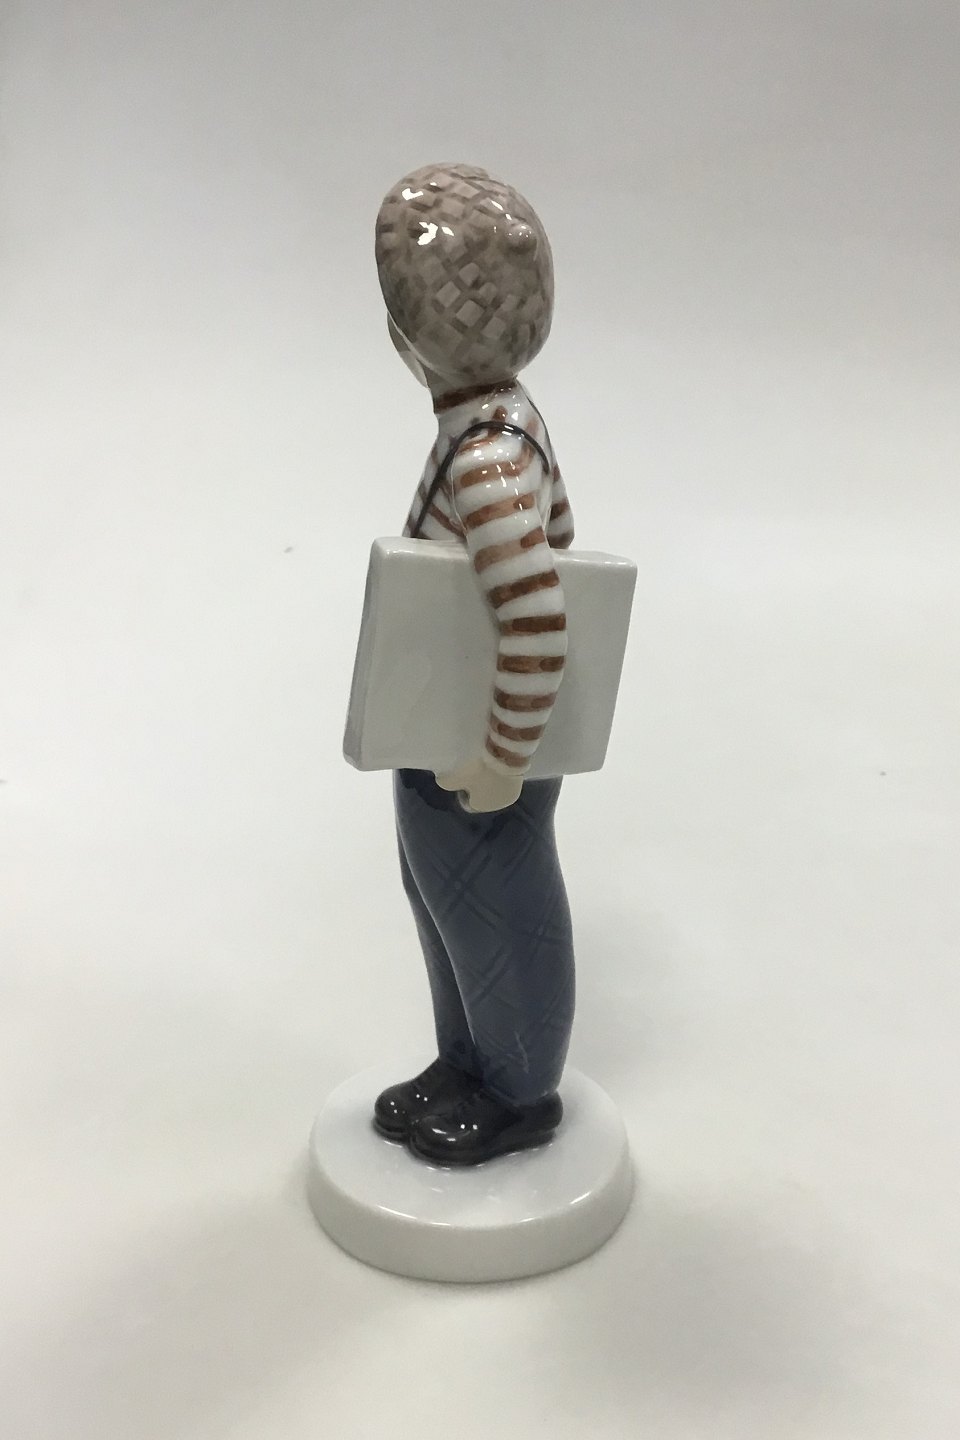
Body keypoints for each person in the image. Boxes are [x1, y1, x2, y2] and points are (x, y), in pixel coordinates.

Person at [371, 163, 576, 1165]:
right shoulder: (491, 431)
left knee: (494, 904)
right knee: (445, 903)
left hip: (480, 741)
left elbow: (536, 619)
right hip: (446, 725)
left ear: (409, 339)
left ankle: (519, 1086)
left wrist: (502, 756)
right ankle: (469, 1062)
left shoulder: (487, 462)